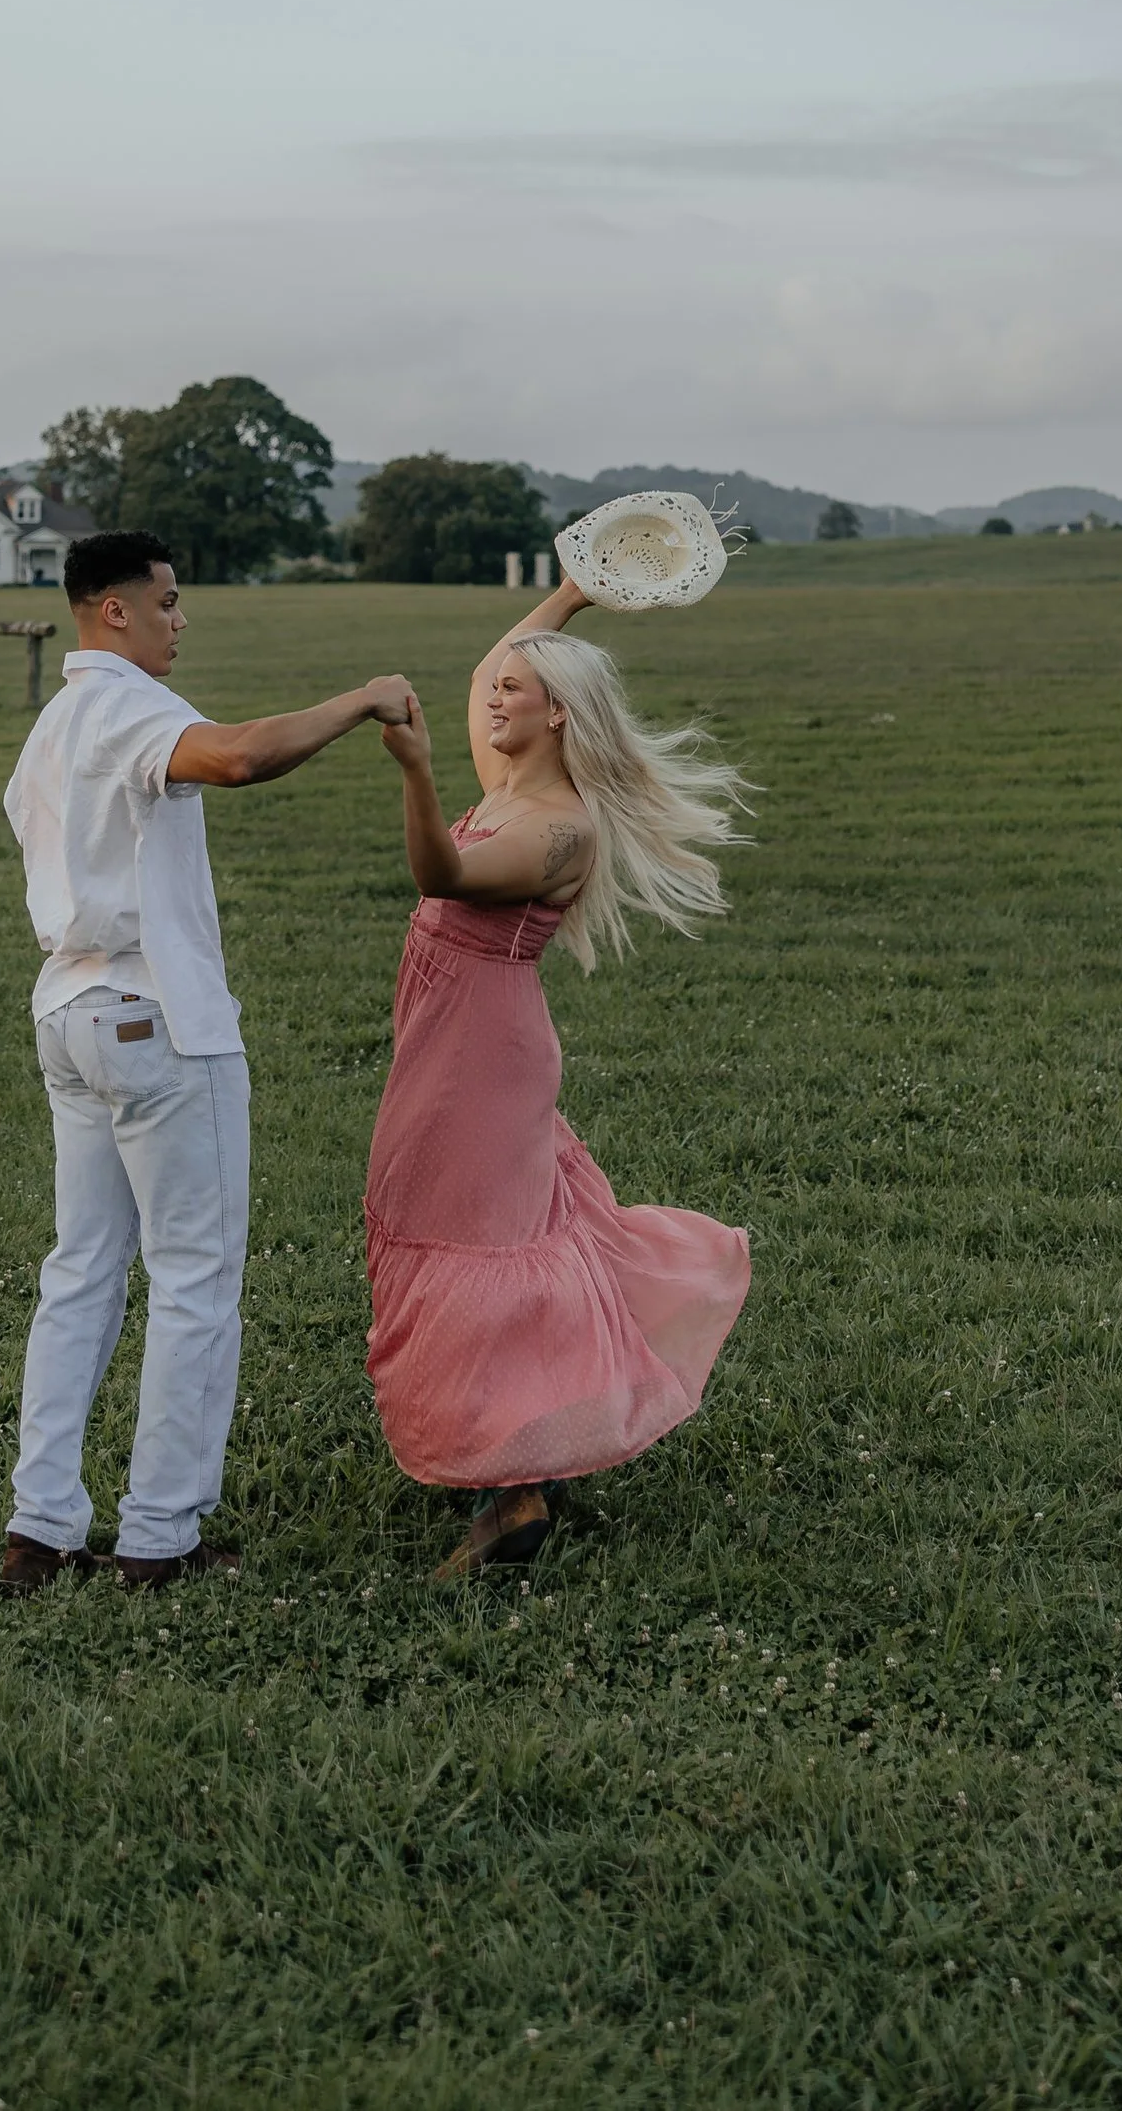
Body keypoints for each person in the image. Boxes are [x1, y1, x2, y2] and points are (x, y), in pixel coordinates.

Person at [0, 526, 411, 1594]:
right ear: (115, 611)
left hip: (68, 1011)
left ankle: (39, 1529)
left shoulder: (50, 722)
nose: (183, 622)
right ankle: (158, 1540)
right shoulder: (130, 704)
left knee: (81, 1272)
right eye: (170, 602)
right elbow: (233, 758)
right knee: (192, 1281)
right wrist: (359, 700)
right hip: (156, 1018)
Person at [367, 573, 752, 1577]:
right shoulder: (508, 788)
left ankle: (517, 1486)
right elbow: (499, 664)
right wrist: (568, 597)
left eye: (513, 691)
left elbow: (439, 877)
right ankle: (528, 1457)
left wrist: (412, 768)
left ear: (558, 715)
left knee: (477, 1245)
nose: (493, 695)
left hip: (480, 1060)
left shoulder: (556, 827)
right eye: (494, 690)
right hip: (454, 1046)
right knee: (479, 1230)